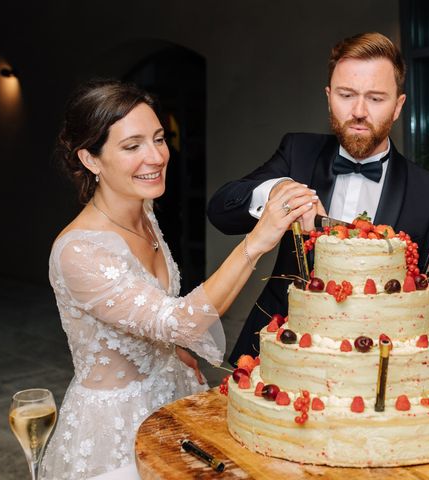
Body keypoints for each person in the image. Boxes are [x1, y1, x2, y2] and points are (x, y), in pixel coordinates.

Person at [40, 80, 317, 479]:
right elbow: (179, 319)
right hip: (116, 429)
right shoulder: (78, 251)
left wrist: (171, 351)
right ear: (91, 159)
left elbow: (149, 313)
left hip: (173, 397)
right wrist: (256, 243)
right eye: (132, 146)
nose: (155, 156)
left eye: (158, 139)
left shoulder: (144, 211)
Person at [207, 32, 429, 365]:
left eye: (375, 98)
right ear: (329, 97)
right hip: (276, 350)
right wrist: (279, 191)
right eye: (346, 95)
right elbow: (220, 211)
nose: (358, 111)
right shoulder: (297, 152)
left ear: (398, 106)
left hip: (377, 365)